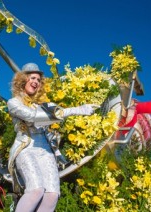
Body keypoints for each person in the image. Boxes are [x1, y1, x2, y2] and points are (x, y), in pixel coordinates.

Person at [7, 62, 98, 212]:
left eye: (38, 80)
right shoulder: (13, 103)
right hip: (26, 148)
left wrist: (83, 109)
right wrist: (75, 110)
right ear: (23, 79)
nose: (36, 82)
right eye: (32, 78)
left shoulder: (42, 105)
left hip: (45, 150)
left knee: (52, 194)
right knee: (36, 190)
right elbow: (32, 117)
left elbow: (57, 113)